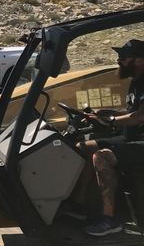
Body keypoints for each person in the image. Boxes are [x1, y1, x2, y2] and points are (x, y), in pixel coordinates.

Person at [72, 39, 144, 236]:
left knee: (101, 157)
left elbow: (139, 117)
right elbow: (131, 111)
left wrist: (112, 120)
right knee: (83, 147)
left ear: (139, 60)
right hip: (133, 139)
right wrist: (105, 113)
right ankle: (78, 205)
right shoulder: (137, 81)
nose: (119, 60)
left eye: (123, 57)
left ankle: (110, 219)